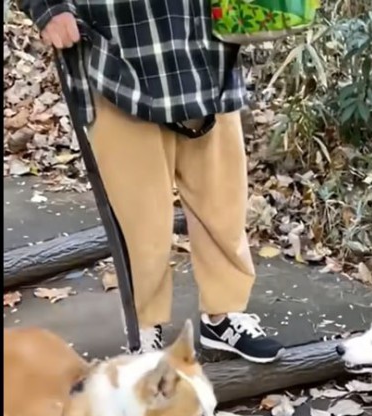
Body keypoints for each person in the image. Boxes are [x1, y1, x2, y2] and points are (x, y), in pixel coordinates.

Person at [21, 1, 284, 362]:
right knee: (140, 218)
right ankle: (146, 328)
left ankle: (224, 317)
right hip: (115, 53)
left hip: (206, 49)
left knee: (222, 201)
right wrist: (46, 8)